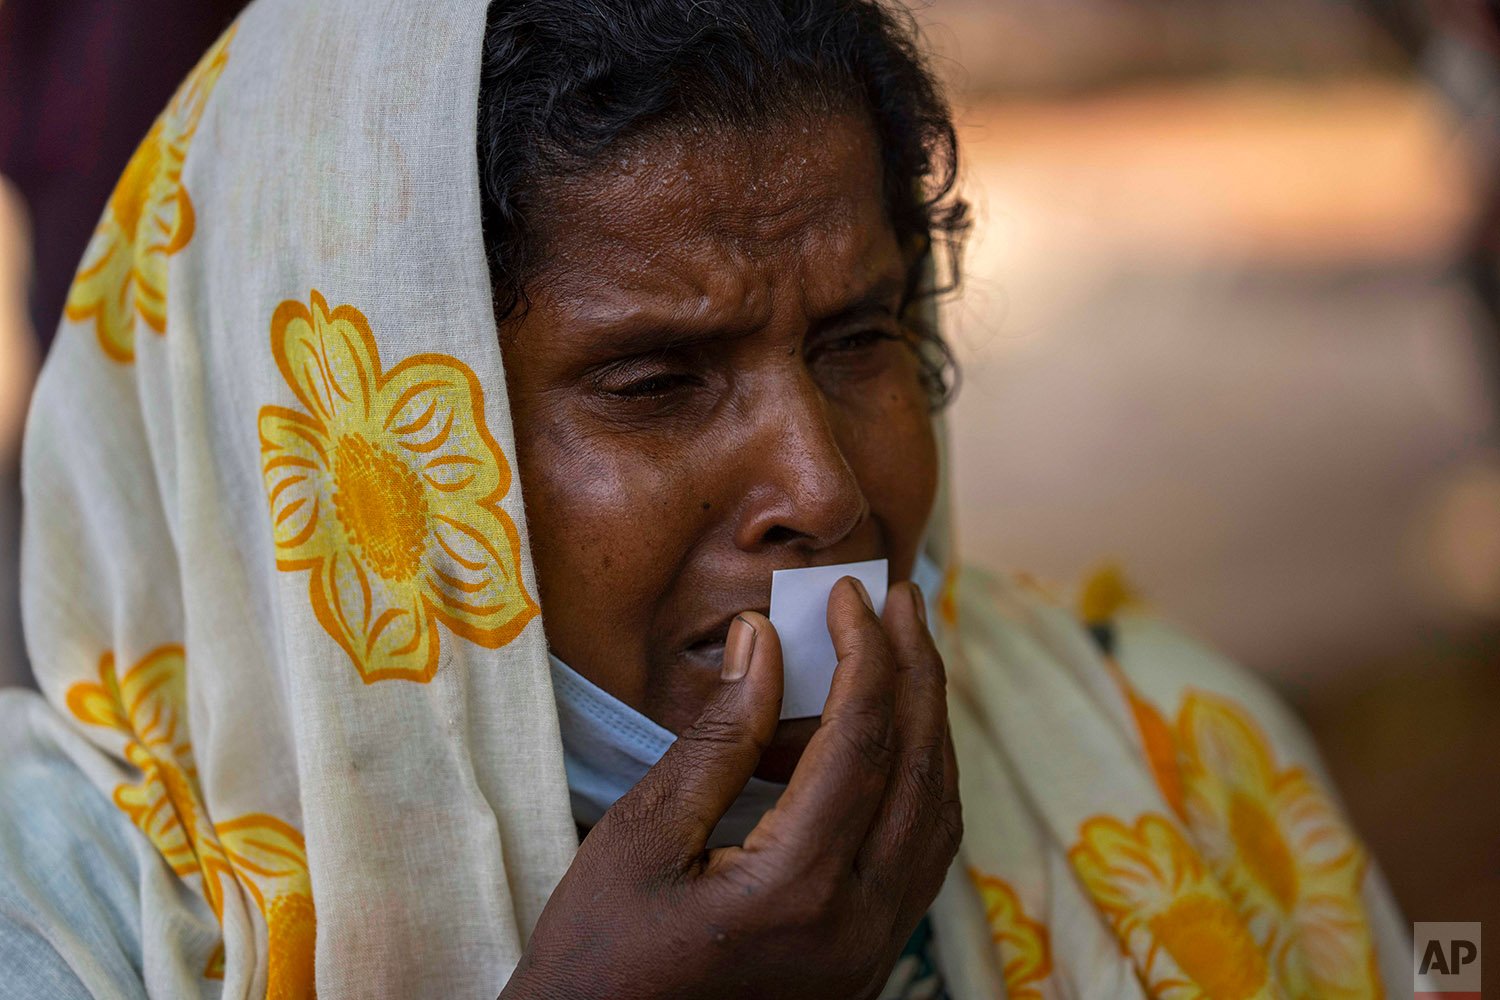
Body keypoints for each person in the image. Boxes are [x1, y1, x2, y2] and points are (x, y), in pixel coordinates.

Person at [0, 0, 1412, 996]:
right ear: (355, 450)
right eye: (657, 379)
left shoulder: (1166, 749)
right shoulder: (59, 914)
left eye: (861, 338)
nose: (824, 488)